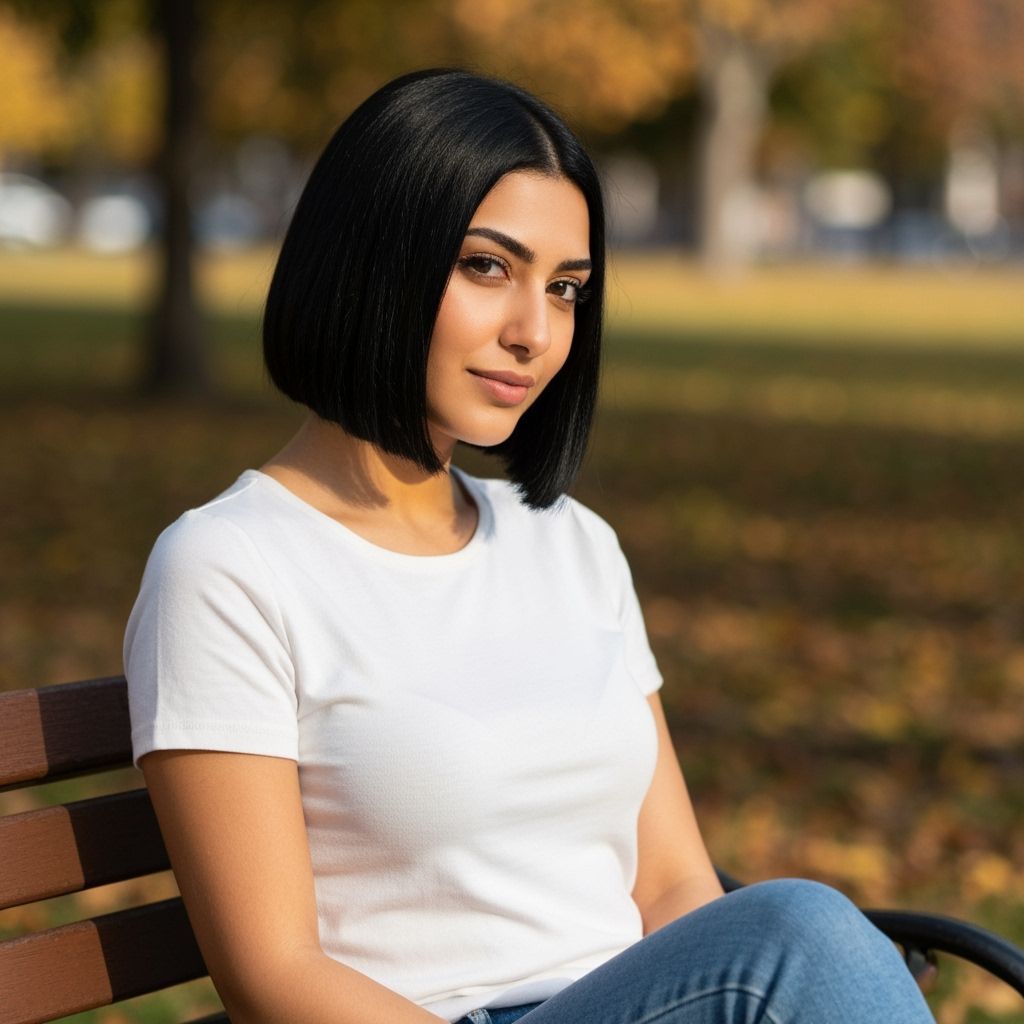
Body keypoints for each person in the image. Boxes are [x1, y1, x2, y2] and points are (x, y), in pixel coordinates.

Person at [124, 69, 935, 1024]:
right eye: (486, 267)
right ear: (372, 256)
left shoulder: (573, 545)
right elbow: (274, 974)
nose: (535, 333)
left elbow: (675, 887)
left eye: (566, 288)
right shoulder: (230, 568)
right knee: (801, 930)